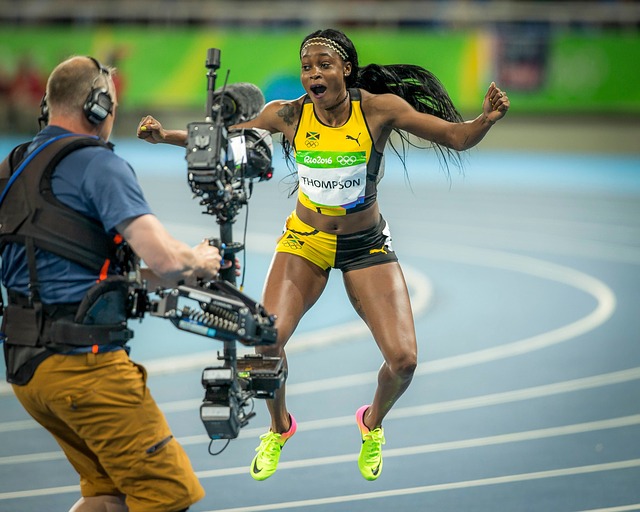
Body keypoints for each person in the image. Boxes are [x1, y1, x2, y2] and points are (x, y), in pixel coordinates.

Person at [137, 28, 510, 482]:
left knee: (404, 362)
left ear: (345, 70)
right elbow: (220, 139)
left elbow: (455, 137)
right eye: (307, 66)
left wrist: (485, 120)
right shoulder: (289, 115)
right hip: (304, 241)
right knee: (264, 342)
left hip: (365, 245)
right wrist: (165, 137)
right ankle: (279, 428)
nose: (313, 73)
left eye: (323, 65)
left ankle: (371, 425)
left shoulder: (377, 110)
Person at [0, 56, 223, 511]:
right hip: (85, 368)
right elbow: (163, 256)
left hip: (28, 369)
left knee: (108, 498)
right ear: (98, 106)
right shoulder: (98, 164)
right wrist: (198, 258)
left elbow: (70, 260)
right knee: (167, 494)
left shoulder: (15, 165)